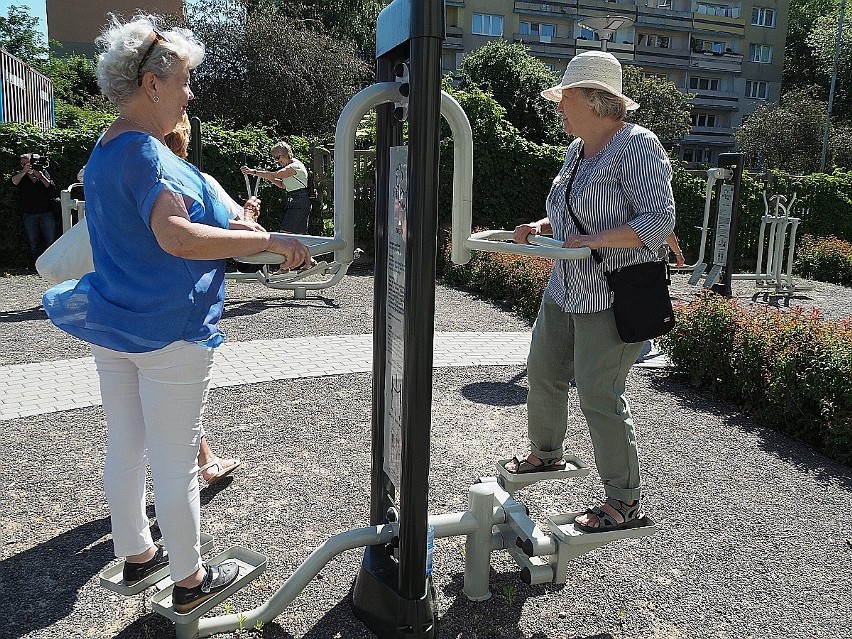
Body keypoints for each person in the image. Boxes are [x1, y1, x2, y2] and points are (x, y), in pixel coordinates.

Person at [41, 14, 311, 612]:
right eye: (185, 81)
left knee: (127, 447)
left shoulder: (106, 147)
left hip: (113, 321)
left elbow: (158, 228)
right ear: (152, 85)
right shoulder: (144, 153)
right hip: (168, 328)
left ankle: (138, 556)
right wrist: (266, 242)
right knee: (174, 457)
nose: (190, 93)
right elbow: (176, 237)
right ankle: (190, 582)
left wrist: (237, 229)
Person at [506, 51, 675, 534]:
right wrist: (542, 225)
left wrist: (595, 241)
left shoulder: (637, 145)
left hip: (611, 293)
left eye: (566, 97)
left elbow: (660, 221)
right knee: (543, 374)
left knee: (600, 397)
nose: (559, 106)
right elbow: (574, 212)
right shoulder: (577, 149)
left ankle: (623, 500)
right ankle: (546, 454)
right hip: (566, 285)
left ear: (596, 100)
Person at [241, 143, 315, 274]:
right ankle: (309, 262)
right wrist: (270, 178)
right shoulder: (289, 167)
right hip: (296, 201)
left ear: (286, 153)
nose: (277, 160)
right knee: (296, 237)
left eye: (278, 157)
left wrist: (254, 172)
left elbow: (277, 175)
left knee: (285, 235)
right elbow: (282, 184)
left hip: (299, 202)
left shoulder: (294, 166)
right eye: (275, 158)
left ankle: (285, 266)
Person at [12, 153, 58, 270]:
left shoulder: (42, 171)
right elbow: (13, 182)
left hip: (46, 212)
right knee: (34, 241)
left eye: (27, 162)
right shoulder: (20, 174)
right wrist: (23, 172)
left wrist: (41, 176)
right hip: (29, 213)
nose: (26, 165)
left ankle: (50, 265)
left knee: (50, 240)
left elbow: (51, 187)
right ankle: (36, 267)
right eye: (23, 163)